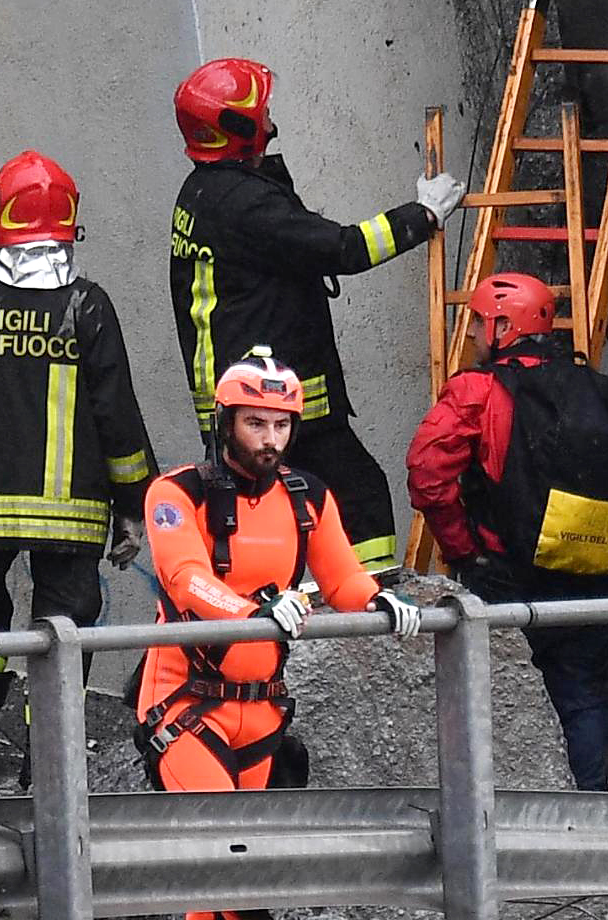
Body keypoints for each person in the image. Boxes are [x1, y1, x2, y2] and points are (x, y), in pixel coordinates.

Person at [139, 347, 421, 907]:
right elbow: (183, 577)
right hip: (185, 707)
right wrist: (252, 615)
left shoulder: (306, 495)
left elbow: (343, 580)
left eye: (282, 425)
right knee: (224, 868)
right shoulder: (176, 492)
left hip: (265, 711)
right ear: (224, 423)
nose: (271, 439)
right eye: (255, 423)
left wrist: (383, 600)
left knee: (245, 889)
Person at [168, 57, 464, 568]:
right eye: (261, 114)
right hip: (274, 395)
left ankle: (327, 608)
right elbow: (342, 249)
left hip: (248, 396)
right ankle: (368, 616)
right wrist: (424, 214)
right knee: (359, 498)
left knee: (291, 511)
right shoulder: (243, 203)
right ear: (237, 127)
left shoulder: (206, 193)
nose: (271, 123)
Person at [0, 150, 158, 770]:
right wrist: (136, 505)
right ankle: (48, 757)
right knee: (62, 627)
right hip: (70, 516)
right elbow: (118, 417)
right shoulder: (88, 307)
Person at [404, 271, 608, 791]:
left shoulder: (478, 392)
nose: (475, 334)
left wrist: (464, 550)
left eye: (479, 323)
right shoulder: (601, 390)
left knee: (492, 698)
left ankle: (499, 817)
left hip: (504, 575)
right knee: (585, 697)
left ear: (503, 326)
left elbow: (427, 473)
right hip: (592, 576)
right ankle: (590, 814)